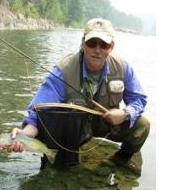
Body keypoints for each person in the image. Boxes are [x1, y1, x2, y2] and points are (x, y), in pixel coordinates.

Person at [8, 18, 150, 168]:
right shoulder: (63, 71)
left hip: (106, 125)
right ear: (83, 44)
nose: (97, 49)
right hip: (72, 129)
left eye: (104, 44)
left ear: (111, 47)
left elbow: (139, 99)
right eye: (91, 43)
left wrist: (125, 114)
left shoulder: (123, 68)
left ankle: (119, 160)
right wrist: (27, 134)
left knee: (142, 125)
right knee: (58, 165)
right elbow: (39, 109)